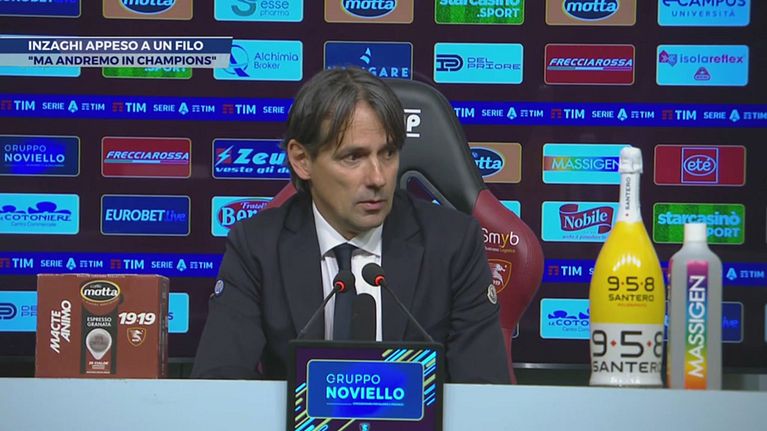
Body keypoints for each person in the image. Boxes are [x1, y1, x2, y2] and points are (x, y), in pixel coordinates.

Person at [192, 67, 510, 384]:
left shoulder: (453, 244)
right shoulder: (257, 247)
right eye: (353, 158)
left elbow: (484, 388)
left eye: (388, 153)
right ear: (302, 160)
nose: (378, 178)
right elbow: (219, 380)